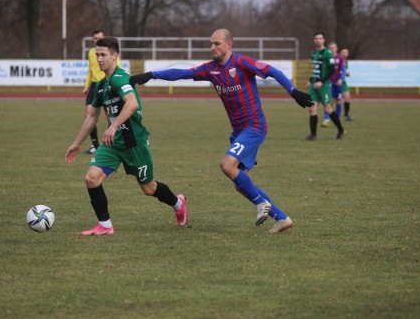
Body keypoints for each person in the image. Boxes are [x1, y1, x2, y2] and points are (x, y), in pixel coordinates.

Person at [130, 28, 313, 234]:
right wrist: (151, 74)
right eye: (211, 43)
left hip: (254, 127)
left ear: (229, 46)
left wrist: (293, 91)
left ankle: (261, 203)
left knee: (227, 165)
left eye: (216, 43)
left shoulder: (241, 63)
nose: (212, 47)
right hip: (238, 131)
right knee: (242, 185)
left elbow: (273, 71)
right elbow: (182, 73)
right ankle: (282, 218)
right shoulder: (211, 69)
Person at [65, 36, 188, 235]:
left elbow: (132, 103)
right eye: (97, 55)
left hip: (134, 143)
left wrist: (113, 125)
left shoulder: (119, 78)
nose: (99, 59)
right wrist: (76, 143)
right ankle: (105, 225)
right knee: (91, 179)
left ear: (115, 56)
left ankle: (178, 203)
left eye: (103, 55)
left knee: (148, 188)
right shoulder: (100, 85)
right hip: (112, 143)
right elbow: (92, 117)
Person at [82, 29, 118, 155]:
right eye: (96, 38)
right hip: (94, 86)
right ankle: (94, 144)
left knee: (110, 117)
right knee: (88, 115)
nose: (98, 40)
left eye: (100, 38)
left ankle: (111, 143)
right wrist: (87, 85)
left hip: (106, 84)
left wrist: (115, 82)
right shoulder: (91, 52)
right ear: (93, 39)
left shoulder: (109, 52)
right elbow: (90, 70)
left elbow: (116, 66)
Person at [309, 34, 344, 139]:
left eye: (320, 38)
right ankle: (313, 135)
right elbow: (315, 70)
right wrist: (310, 80)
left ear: (323, 40)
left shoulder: (328, 53)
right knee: (312, 108)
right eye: (316, 38)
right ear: (314, 40)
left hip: (323, 86)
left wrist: (321, 82)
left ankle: (340, 130)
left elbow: (332, 70)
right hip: (313, 86)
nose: (318, 40)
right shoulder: (313, 53)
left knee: (328, 108)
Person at [322, 41, 346, 128]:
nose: (332, 49)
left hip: (338, 83)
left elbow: (343, 70)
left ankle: (337, 118)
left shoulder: (340, 57)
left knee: (339, 101)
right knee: (329, 101)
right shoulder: (326, 57)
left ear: (336, 49)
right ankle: (326, 118)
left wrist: (341, 79)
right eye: (330, 48)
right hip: (329, 83)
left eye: (333, 48)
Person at [340, 48, 354, 121]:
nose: (345, 54)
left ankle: (346, 116)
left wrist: (346, 74)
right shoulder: (338, 60)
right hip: (335, 82)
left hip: (343, 82)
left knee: (347, 98)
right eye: (343, 52)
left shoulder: (346, 61)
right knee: (333, 100)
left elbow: (343, 71)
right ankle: (328, 116)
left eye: (346, 52)